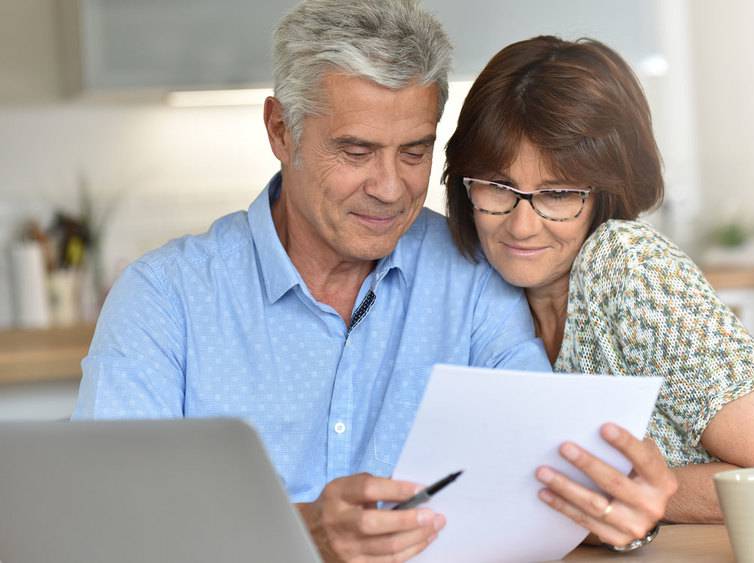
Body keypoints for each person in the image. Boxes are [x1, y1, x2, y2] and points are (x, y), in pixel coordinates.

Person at [72, 2, 675, 561]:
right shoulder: (166, 298)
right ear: (281, 130)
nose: (390, 189)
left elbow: (541, 475)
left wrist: (624, 511)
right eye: (356, 152)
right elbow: (101, 523)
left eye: (413, 152)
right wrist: (295, 532)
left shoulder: (472, 275)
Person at [444, 35, 754, 525]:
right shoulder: (482, 287)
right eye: (498, 187)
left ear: (608, 188)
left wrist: (616, 492)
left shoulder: (627, 265)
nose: (521, 225)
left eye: (558, 193)